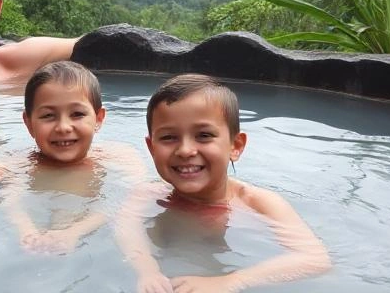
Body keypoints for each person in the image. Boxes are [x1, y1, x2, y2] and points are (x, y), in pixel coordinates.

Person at [116, 74, 331, 293]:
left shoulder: (258, 204)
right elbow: (126, 229)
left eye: (204, 135)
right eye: (169, 137)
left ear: (235, 146)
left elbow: (314, 259)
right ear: (152, 148)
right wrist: (147, 271)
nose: (185, 150)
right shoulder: (147, 195)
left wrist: (231, 281)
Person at [0, 61, 144, 254]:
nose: (63, 127)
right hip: (19, 237)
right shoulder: (14, 161)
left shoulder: (120, 157)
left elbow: (130, 202)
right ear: (29, 123)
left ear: (98, 119)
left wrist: (74, 232)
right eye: (48, 116)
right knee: (11, 192)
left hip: (91, 243)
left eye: (77, 114)